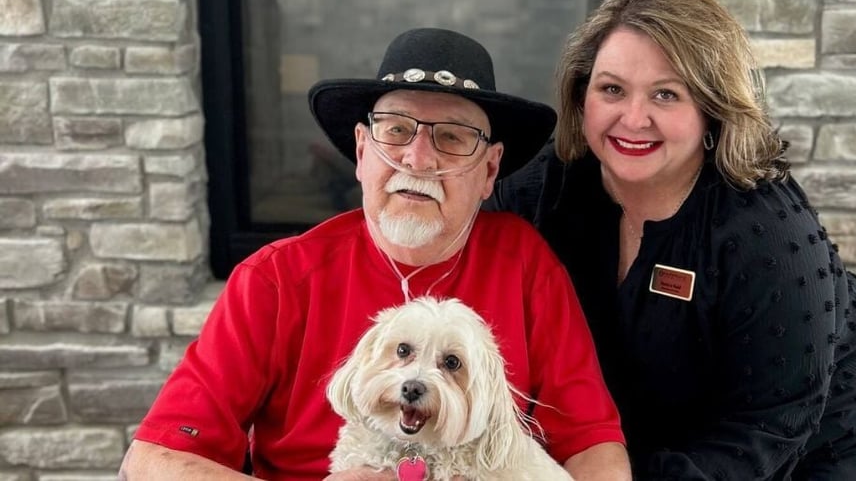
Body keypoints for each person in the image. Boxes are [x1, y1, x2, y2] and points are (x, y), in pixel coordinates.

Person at [119, 28, 630, 480]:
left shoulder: (525, 263)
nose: (418, 157)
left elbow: (592, 445)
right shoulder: (275, 277)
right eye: (396, 130)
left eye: (452, 138)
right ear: (363, 152)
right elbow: (152, 462)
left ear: (490, 171)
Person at [485, 0, 856, 479]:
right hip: (663, 401)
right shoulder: (551, 181)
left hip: (821, 403)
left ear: (712, 109)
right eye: (611, 89)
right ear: (581, 96)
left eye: (666, 94)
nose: (632, 118)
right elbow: (466, 255)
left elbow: (771, 425)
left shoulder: (764, 230)